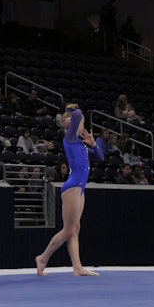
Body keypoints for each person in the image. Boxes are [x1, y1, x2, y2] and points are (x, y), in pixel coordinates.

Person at [35, 104, 104, 277]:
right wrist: (73, 111)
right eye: (80, 123)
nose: (83, 126)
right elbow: (80, 112)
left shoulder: (81, 143)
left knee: (75, 229)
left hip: (80, 188)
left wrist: (94, 144)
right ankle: (42, 258)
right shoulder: (70, 137)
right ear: (71, 123)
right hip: (72, 187)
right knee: (68, 230)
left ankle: (77, 267)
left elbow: (101, 158)